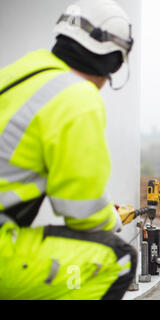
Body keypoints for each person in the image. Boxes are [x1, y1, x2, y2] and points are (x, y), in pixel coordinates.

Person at [0, 0, 137, 299]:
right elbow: (83, 214)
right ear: (113, 61)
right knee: (118, 258)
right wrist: (110, 219)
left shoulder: (17, 72)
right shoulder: (77, 97)